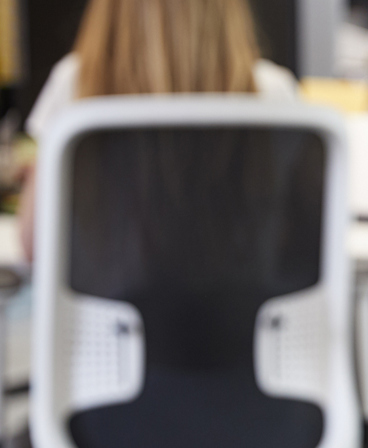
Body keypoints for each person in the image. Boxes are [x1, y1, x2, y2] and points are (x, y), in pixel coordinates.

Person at [19, 0, 299, 259]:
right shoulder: (274, 92)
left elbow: (34, 245)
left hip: (106, 311)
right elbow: (298, 238)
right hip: (240, 309)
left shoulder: (75, 84)